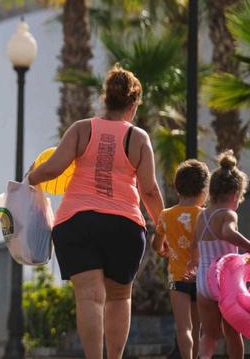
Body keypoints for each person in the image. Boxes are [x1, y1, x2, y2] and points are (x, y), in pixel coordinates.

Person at [29, 64, 165, 359]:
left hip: (76, 223)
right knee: (119, 296)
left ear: (105, 99)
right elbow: (150, 190)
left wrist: (29, 180)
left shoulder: (82, 128)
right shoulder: (138, 138)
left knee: (89, 297)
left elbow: (53, 168)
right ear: (133, 105)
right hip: (124, 226)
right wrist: (162, 226)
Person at [194, 150, 250, 359]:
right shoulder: (228, 214)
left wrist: (193, 262)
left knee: (209, 334)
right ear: (236, 193)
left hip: (203, 282)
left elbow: (195, 244)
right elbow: (227, 233)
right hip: (224, 282)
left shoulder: (202, 215)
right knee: (232, 334)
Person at [151, 160, 208, 359]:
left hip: (177, 278)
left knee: (184, 327)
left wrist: (162, 249)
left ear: (177, 187)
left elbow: (156, 245)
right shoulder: (205, 215)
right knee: (198, 327)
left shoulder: (166, 215)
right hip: (201, 278)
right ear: (203, 190)